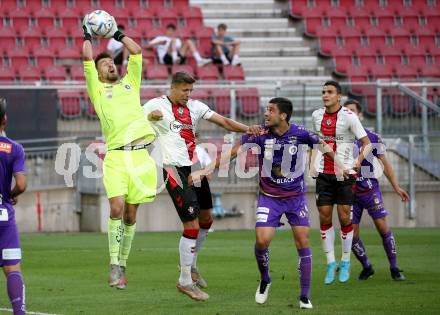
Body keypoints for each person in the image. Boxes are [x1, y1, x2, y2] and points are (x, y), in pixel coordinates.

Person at [191, 97, 348, 309]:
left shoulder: (300, 133)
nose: (266, 114)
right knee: (262, 241)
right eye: (266, 109)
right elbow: (233, 153)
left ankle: (304, 296)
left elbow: (324, 147)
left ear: (283, 115)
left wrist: (340, 166)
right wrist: (205, 170)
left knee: (303, 241)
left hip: (295, 199)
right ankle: (265, 279)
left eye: (270, 110)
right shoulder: (260, 134)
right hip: (269, 198)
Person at [143, 71, 260, 301]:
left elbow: (224, 122)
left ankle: (191, 265)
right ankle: (185, 281)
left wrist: (248, 129)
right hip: (173, 169)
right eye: (184, 90)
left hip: (194, 167)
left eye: (190, 90)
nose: (188, 94)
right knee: (192, 224)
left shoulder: (195, 107)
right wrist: (151, 118)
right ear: (173, 87)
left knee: (206, 219)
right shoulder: (155, 104)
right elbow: (138, 120)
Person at [82, 15, 157, 290]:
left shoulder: (130, 83)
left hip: (140, 156)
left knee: (130, 215)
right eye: (105, 64)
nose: (110, 65)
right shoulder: (97, 90)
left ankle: (123, 263)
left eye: (111, 62)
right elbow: (86, 59)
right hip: (116, 157)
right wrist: (88, 36)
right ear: (99, 73)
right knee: (116, 207)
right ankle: (114, 264)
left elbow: (136, 51)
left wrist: (116, 33)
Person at [310, 80, 371, 284]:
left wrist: (357, 161)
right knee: (325, 217)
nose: (325, 95)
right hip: (323, 174)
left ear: (339, 96)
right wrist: (312, 164)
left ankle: (345, 261)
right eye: (323, 92)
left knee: (345, 218)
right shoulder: (316, 115)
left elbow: (367, 143)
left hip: (345, 175)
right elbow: (316, 143)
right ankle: (330, 262)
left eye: (329, 92)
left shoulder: (349, 117)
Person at [344, 99, 409, 281]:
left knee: (382, 228)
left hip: (370, 191)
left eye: (352, 111)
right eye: (345, 111)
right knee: (352, 234)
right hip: (349, 194)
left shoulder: (372, 138)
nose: (348, 114)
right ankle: (367, 267)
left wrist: (396, 187)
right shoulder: (340, 140)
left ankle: (394, 268)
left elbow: (385, 164)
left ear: (360, 115)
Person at [0, 97, 27, 315]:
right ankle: (19, 312)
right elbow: (21, 184)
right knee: (12, 267)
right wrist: (10, 196)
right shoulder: (14, 149)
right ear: (4, 120)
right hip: (3, 214)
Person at [147, 23, 211, 67]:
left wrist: (182, 42)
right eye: (169, 30)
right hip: (165, 59)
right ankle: (175, 58)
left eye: (172, 31)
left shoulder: (177, 40)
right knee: (173, 40)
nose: (170, 32)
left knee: (189, 41)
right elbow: (146, 46)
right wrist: (159, 43)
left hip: (178, 58)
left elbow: (181, 49)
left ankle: (199, 60)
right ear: (166, 30)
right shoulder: (160, 38)